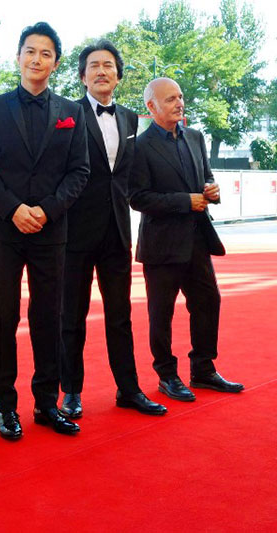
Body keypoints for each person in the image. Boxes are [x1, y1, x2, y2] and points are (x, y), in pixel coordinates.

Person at [0, 22, 89, 440]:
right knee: (3, 317)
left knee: (48, 317)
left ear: (55, 63)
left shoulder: (72, 112)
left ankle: (46, 404)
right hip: (5, 231)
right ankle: (6, 407)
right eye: (30, 51)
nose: (36, 59)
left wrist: (46, 210)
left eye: (45, 53)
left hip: (51, 230)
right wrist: (13, 209)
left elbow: (80, 171)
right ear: (18, 57)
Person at [60, 40, 167, 419]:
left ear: (118, 76)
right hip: (74, 233)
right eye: (94, 65)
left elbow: (129, 177)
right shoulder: (67, 114)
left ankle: (128, 389)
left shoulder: (130, 119)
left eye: (108, 65)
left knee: (120, 316)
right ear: (83, 76)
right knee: (71, 317)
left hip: (118, 231)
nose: (101, 71)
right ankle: (71, 391)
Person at [129, 77, 244, 403]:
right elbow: (137, 198)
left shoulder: (195, 137)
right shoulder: (139, 147)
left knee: (208, 302)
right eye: (170, 99)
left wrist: (212, 190)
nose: (179, 103)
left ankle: (203, 369)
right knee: (161, 314)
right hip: (162, 245)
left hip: (197, 239)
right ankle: (167, 375)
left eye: (180, 97)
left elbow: (206, 178)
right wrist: (185, 201)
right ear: (151, 107)